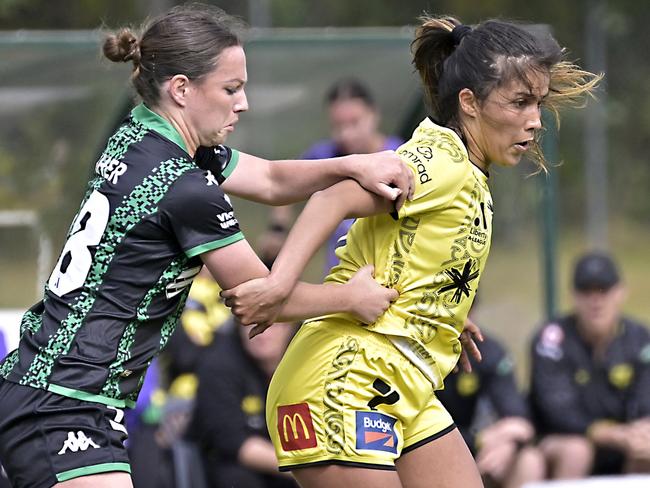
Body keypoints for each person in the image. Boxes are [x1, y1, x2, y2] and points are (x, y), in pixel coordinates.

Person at [0, 4, 414, 488]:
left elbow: (272, 178)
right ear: (181, 88)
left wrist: (353, 164)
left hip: (65, 391)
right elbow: (261, 297)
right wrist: (351, 298)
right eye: (231, 89)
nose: (244, 104)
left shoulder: (145, 134)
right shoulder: (185, 185)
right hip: (62, 401)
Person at [223, 15, 600, 488]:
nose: (535, 119)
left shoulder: (466, 169)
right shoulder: (442, 161)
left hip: (401, 384)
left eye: (538, 103)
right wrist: (279, 285)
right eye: (520, 102)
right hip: (345, 380)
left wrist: (439, 312)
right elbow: (333, 196)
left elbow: (411, 247)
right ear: (469, 103)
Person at [530, 251, 650, 479]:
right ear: (573, 295)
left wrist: (641, 431)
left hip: (625, 442)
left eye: (603, 290)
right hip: (563, 441)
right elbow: (557, 412)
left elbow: (646, 399)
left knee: (646, 446)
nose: (596, 301)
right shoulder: (552, 339)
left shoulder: (640, 338)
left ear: (621, 292)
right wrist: (609, 433)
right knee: (577, 451)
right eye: (586, 291)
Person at [300, 78, 405, 272]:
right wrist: (277, 229)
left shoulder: (401, 157)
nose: (346, 134)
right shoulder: (324, 157)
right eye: (338, 126)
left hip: (389, 278)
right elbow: (285, 179)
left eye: (354, 123)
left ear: (374, 114)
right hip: (338, 280)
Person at [188, 319, 299, 488]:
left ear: (290, 327)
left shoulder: (306, 363)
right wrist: (301, 467)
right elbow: (232, 442)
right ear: (239, 325)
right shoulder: (218, 364)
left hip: (291, 462)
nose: (263, 334)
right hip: (231, 466)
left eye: (273, 325)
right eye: (252, 325)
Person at [437, 328, 544, 488]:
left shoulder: (488, 349)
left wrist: (508, 443)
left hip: (484, 447)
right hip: (432, 444)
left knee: (530, 460)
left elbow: (518, 420)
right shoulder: (414, 349)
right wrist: (478, 440)